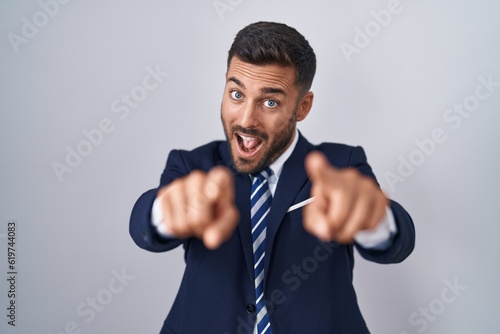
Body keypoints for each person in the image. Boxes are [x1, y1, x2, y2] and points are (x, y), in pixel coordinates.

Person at [129, 21, 415, 334]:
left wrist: (374, 219)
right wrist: (165, 214)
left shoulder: (341, 166)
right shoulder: (192, 165)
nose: (247, 119)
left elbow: (397, 243)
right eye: (236, 94)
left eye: (270, 102)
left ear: (302, 106)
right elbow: (144, 228)